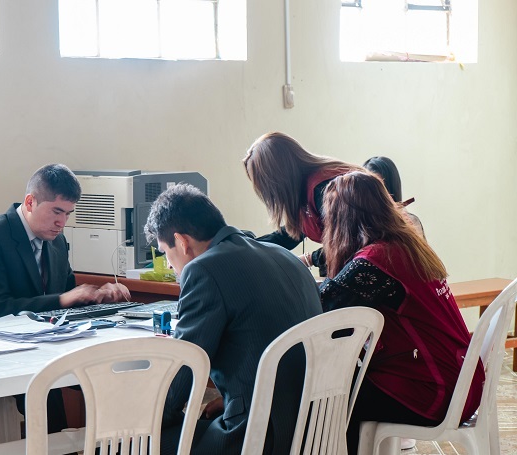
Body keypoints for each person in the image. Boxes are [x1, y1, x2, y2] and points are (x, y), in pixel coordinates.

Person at [144, 184, 322, 455]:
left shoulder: (203, 270)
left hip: (257, 437)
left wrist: (148, 421)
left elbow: (186, 369)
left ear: (181, 242)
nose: (169, 264)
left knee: (136, 440)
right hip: (314, 428)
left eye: (164, 252)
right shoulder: (286, 257)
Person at [0, 163, 130, 433]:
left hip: (41, 346)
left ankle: (108, 441)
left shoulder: (57, 241)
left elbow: (68, 294)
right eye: (56, 211)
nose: (62, 222)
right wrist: (61, 301)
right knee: (48, 393)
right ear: (30, 202)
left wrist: (100, 296)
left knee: (111, 373)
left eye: (68, 213)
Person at [318, 171, 484, 455]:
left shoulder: (374, 261)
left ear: (342, 222)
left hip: (435, 392)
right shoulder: (407, 246)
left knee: (330, 403)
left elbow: (321, 304)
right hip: (464, 383)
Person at [242, 132, 362, 275]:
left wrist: (310, 258)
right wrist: (247, 247)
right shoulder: (307, 191)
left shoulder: (324, 189)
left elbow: (350, 244)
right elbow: (289, 235)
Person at [363, 155, 425, 237]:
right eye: (369, 187)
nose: (374, 195)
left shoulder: (410, 222)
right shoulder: (356, 225)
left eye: (381, 188)